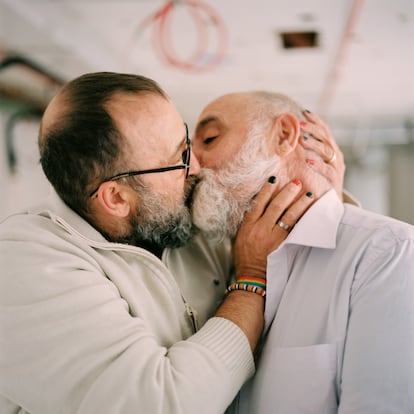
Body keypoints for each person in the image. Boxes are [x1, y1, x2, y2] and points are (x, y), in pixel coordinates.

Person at [0, 72, 336, 414]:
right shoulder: (28, 264)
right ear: (116, 198)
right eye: (178, 159)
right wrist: (251, 279)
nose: (195, 167)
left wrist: (321, 186)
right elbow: (159, 404)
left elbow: (266, 221)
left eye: (187, 142)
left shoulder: (175, 218)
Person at [187, 90, 414, 413]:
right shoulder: (215, 262)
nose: (192, 166)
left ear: (284, 135)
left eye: (209, 139)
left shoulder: (388, 254)